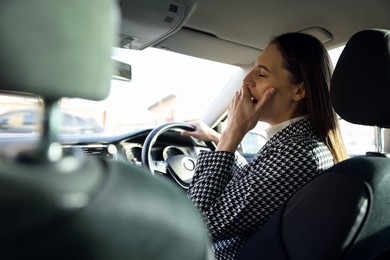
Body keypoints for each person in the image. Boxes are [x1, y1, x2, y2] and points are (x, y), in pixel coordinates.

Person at [181, 32, 348, 260]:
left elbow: (193, 227)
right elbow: (254, 183)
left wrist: (232, 133)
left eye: (261, 73)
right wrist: (216, 137)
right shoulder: (296, 143)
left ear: (298, 90)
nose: (247, 80)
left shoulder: (297, 153)